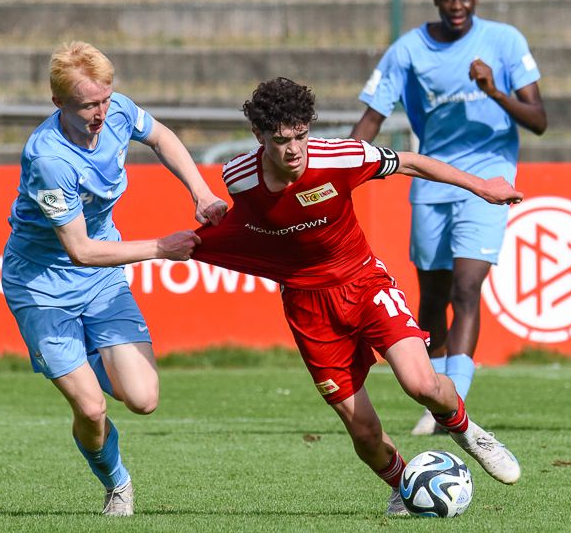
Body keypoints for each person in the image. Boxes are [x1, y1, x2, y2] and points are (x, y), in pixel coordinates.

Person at [191, 77, 523, 516]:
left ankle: (469, 433)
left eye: (300, 136)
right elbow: (251, 223)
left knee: (423, 385)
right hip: (308, 306)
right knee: (363, 432)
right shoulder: (238, 177)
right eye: (281, 140)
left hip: (364, 283)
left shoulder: (341, 156)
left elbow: (410, 162)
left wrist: (482, 187)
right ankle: (404, 487)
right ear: (259, 136)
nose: (294, 150)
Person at [0, 41, 227, 516]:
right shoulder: (49, 159)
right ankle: (117, 483)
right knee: (91, 408)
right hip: (43, 288)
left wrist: (201, 192)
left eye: (104, 99)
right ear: (58, 102)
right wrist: (161, 249)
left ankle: (86, 358)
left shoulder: (117, 109)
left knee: (143, 399)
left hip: (100, 282)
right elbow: (80, 250)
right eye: (87, 105)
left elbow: (161, 137)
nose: (101, 113)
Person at [350, 0, 547, 436]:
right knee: (433, 297)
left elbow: (539, 120)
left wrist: (494, 91)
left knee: (466, 288)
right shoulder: (407, 50)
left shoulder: (505, 41)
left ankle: (454, 399)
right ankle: (436, 396)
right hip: (432, 180)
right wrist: (337, 171)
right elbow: (372, 119)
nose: (457, 5)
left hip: (490, 182)